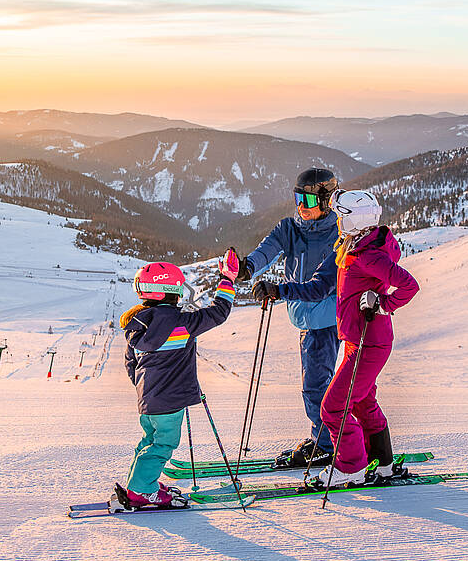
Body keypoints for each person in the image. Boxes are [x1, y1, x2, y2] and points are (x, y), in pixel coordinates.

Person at [254, 189, 419, 486]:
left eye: (342, 217)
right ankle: (381, 463)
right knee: (362, 402)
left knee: (333, 407)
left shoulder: (367, 256)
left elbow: (409, 285)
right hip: (358, 340)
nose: (337, 221)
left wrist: (382, 304)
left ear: (355, 220)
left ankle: (350, 467)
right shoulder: (350, 248)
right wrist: (280, 290)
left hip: (369, 342)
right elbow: (319, 287)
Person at [234, 168, 340, 467]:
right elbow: (266, 251)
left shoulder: (338, 234)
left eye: (307, 200)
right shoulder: (289, 228)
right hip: (304, 317)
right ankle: (327, 436)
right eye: (297, 198)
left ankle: (326, 443)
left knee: (316, 384)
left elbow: (323, 286)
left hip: (326, 319)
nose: (301, 206)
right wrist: (247, 268)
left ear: (326, 201)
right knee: (319, 382)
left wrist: (279, 290)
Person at [116, 251, 238, 509]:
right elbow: (218, 313)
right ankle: (141, 490)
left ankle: (139, 482)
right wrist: (227, 279)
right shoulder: (181, 323)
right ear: (170, 290)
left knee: (149, 441)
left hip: (148, 401)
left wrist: (146, 390)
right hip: (169, 402)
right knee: (164, 444)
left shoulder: (136, 325)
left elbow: (131, 366)